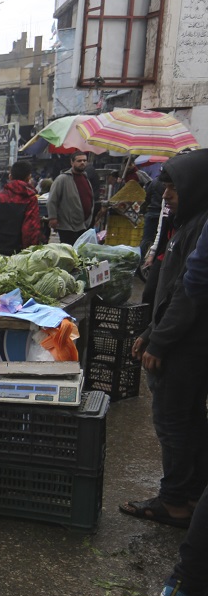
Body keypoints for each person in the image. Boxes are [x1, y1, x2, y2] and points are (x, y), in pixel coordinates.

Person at [121, 149, 208, 534]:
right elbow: (171, 287)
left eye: (175, 186)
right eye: (166, 185)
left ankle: (174, 501)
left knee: (173, 423)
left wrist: (159, 342)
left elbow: (187, 296)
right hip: (178, 340)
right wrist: (147, 332)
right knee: (188, 422)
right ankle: (189, 495)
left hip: (185, 347)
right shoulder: (188, 223)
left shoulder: (201, 226)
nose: (167, 193)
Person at [0, 160, 42, 256]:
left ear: (10, 176)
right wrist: (29, 253)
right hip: (17, 253)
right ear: (29, 177)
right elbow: (29, 230)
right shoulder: (30, 199)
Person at [47, 152, 96, 245]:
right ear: (72, 162)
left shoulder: (85, 178)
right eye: (79, 161)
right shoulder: (62, 179)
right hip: (67, 226)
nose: (82, 163)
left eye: (84, 161)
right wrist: (52, 217)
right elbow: (52, 199)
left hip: (83, 224)